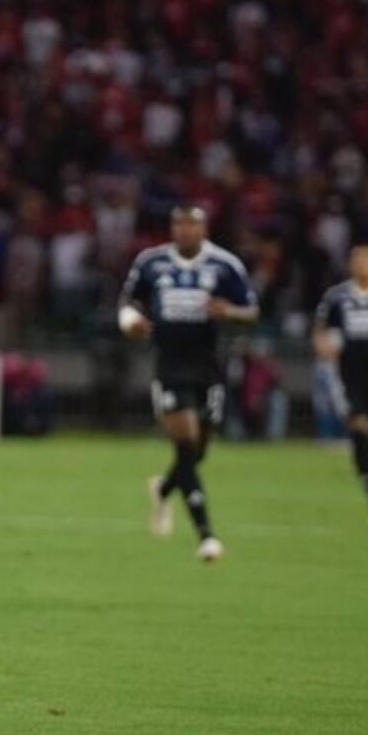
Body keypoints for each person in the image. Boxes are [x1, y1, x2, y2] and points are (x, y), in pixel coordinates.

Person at [118, 205, 258, 561]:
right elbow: (129, 302)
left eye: (192, 223)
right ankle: (206, 536)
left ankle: (163, 488)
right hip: (168, 365)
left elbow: (252, 310)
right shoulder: (151, 262)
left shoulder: (224, 265)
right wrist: (131, 321)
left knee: (198, 451)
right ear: (172, 227)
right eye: (178, 223)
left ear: (203, 227)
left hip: (209, 367)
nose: (184, 230)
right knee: (185, 444)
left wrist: (229, 312)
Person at [312, 242, 368, 512]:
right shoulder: (336, 297)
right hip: (350, 371)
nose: (362, 264)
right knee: (359, 423)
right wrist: (323, 345)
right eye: (357, 259)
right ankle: (366, 478)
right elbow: (320, 329)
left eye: (367, 259)